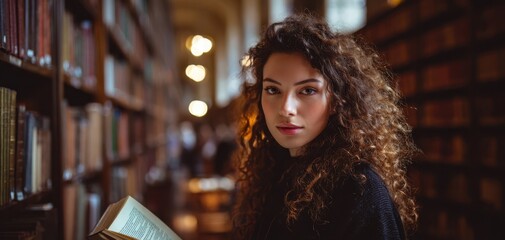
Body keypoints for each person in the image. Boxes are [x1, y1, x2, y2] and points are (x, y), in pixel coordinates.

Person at [231, 13, 418, 239]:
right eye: (273, 90)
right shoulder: (273, 172)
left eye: (308, 90)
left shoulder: (360, 189)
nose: (286, 108)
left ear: (337, 100)